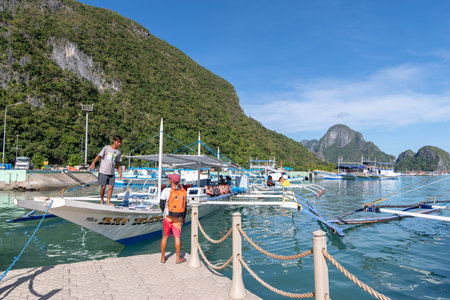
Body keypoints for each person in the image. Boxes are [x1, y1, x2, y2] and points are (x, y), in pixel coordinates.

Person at [160, 173, 187, 264]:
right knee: (177, 237)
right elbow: (185, 206)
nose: (169, 179)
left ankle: (163, 258)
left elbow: (161, 204)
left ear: (171, 181)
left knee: (164, 237)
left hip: (167, 217)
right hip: (178, 217)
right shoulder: (182, 191)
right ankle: (178, 258)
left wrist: (165, 213)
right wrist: (183, 217)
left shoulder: (166, 190)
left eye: (169, 178)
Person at [90, 135, 123, 205]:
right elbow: (99, 156)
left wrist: (120, 172)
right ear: (114, 141)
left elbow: (117, 163)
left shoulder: (118, 152)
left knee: (111, 187)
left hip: (111, 172)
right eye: (118, 142)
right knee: (103, 187)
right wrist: (93, 162)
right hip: (103, 171)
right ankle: (102, 200)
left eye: (120, 143)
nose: (119, 144)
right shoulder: (106, 148)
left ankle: (108, 202)